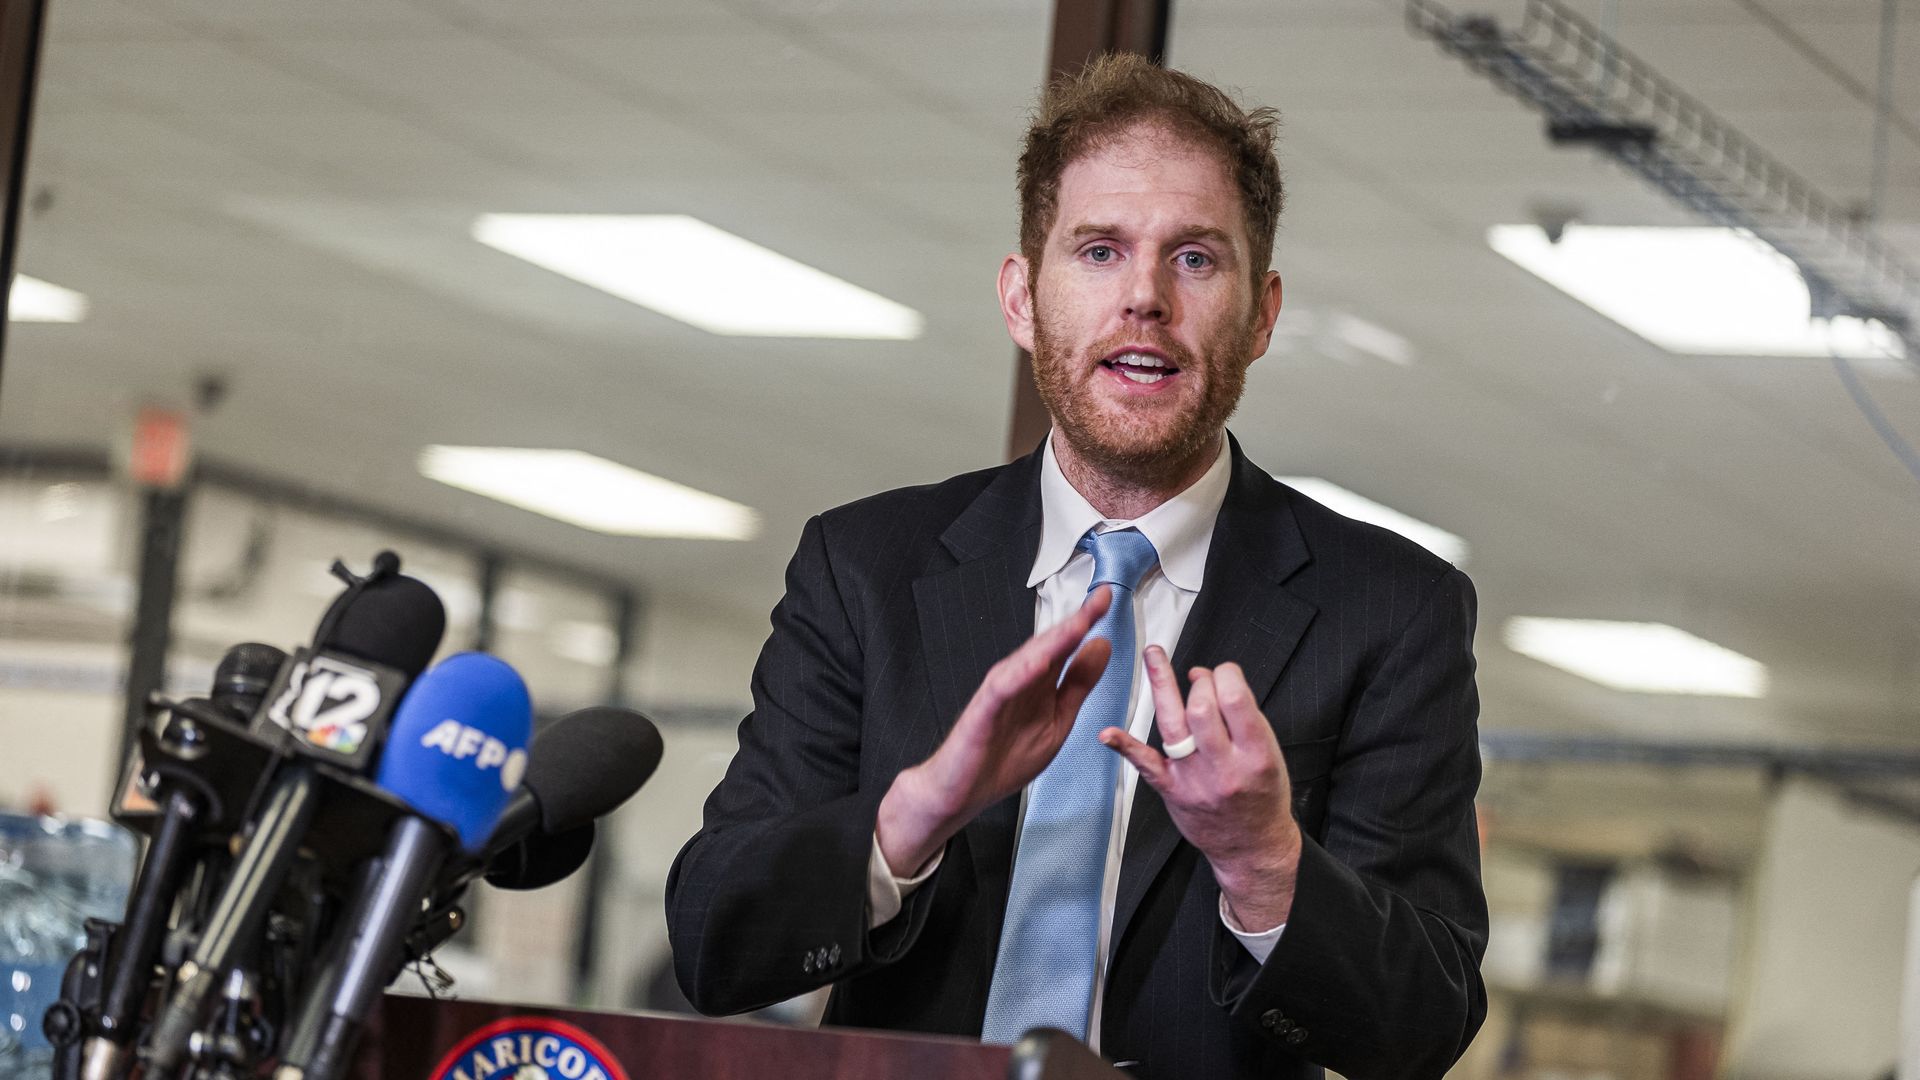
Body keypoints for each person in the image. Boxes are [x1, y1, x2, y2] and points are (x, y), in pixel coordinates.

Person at [665, 54, 1487, 1080]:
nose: (1145, 297)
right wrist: (912, 817)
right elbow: (711, 939)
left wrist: (1263, 859)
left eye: (1196, 259)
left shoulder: (1391, 611)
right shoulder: (864, 568)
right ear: (1022, 298)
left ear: (1262, 313)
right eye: (1099, 250)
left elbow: (1422, 1028)